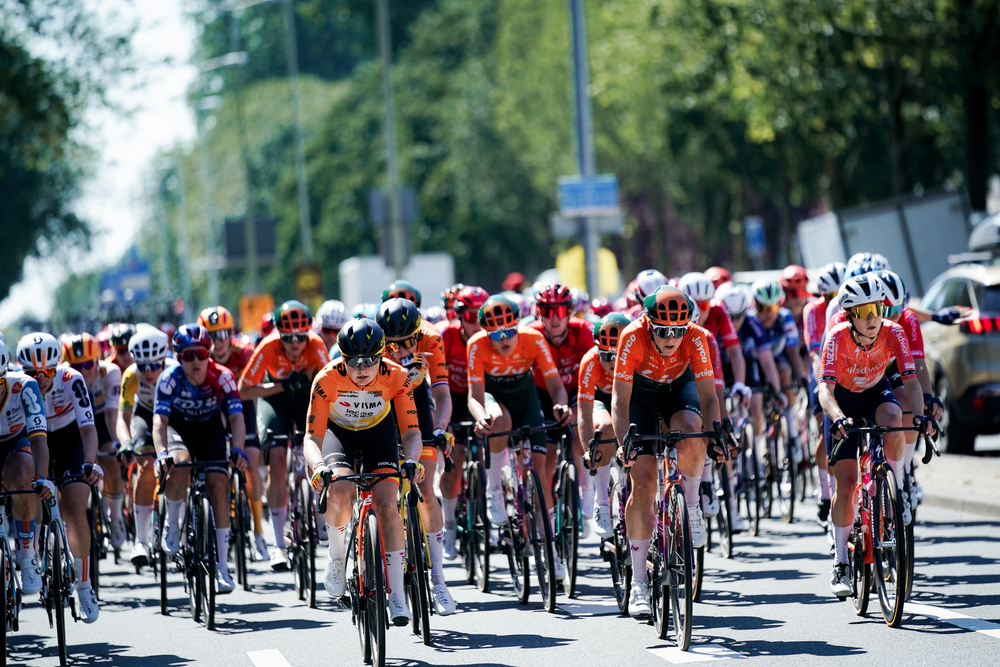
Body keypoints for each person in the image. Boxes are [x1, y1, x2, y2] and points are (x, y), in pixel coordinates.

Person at [611, 286, 722, 618]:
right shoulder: (631, 337)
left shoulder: (695, 336)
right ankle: (639, 584)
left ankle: (690, 504)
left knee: (693, 429)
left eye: (678, 329)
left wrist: (715, 435)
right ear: (649, 324)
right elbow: (619, 401)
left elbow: (709, 398)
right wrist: (623, 445)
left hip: (677, 389)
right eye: (663, 330)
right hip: (640, 399)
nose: (672, 337)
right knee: (643, 481)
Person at [818, 274, 932, 597]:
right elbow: (824, 390)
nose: (872, 318)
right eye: (864, 310)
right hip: (842, 400)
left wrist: (921, 415)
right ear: (850, 314)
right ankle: (841, 561)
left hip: (875, 391)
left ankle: (896, 489)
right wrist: (838, 417)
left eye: (878, 307)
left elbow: (911, 383)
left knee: (897, 416)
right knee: (846, 481)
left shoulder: (894, 332)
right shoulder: (837, 336)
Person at [305, 318, 424, 626]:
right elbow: (311, 437)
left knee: (386, 503)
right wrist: (318, 466)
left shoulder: (397, 377)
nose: (362, 367)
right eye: (353, 360)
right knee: (341, 490)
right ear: (341, 358)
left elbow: (411, 432)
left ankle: (396, 593)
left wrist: (412, 460)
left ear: (383, 356)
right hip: (339, 434)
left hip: (378, 435)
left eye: (370, 360)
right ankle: (336, 556)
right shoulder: (326, 379)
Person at [466, 296, 570, 560]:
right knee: (499, 421)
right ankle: (494, 489)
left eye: (509, 331)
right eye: (496, 334)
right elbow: (475, 396)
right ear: (486, 333)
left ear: (518, 326)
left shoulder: (533, 339)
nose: (504, 339)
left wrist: (561, 406)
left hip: (527, 400)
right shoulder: (476, 345)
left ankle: (552, 552)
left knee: (540, 477)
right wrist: (480, 417)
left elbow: (556, 386)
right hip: (495, 400)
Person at [376, 297, 456, 615]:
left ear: (417, 333)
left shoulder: (432, 338)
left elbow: (442, 394)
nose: (398, 350)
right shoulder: (375, 347)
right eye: (391, 344)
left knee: (425, 489)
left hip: (421, 414)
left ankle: (438, 579)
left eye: (407, 342)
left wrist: (440, 429)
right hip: (383, 415)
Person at [153, 325, 248, 594]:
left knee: (219, 486)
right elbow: (159, 421)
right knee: (180, 463)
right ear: (179, 358)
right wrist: (161, 453)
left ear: (210, 353)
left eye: (201, 354)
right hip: (179, 429)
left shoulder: (224, 376)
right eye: (187, 356)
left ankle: (222, 568)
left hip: (210, 430)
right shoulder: (169, 379)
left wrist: (238, 449)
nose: (195, 361)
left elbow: (237, 419)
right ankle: (172, 524)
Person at [18, 333, 102, 622]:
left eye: (47, 371)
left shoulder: (71, 379)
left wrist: (89, 463)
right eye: (32, 373)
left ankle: (84, 586)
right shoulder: (18, 384)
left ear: (57, 367)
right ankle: (31, 555)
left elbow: (88, 429)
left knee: (75, 508)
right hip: (34, 441)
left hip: (69, 442)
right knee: (31, 495)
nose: (40, 378)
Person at [239, 301, 329, 569]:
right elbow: (244, 390)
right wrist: (280, 386)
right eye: (288, 338)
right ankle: (278, 544)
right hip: (276, 400)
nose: (294, 343)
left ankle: (318, 511)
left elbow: (331, 382)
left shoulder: (316, 345)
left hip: (306, 399)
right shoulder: (268, 346)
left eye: (300, 337)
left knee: (315, 453)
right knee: (277, 461)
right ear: (279, 334)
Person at [199, 306, 269, 561]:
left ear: (231, 334)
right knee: (219, 469)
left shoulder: (246, 353)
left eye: (223, 334)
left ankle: (259, 531)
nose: (218, 342)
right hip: (215, 409)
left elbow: (258, 384)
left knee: (250, 460)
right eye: (212, 335)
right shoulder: (200, 358)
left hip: (243, 409)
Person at [528, 284, 595, 538]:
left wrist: (579, 406)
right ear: (539, 313)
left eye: (559, 311)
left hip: (579, 389)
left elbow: (595, 368)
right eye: (547, 311)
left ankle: (586, 489)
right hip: (543, 395)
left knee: (581, 431)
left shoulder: (584, 331)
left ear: (569, 312)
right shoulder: (532, 334)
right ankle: (548, 515)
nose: (554, 318)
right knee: (548, 458)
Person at [878, 270, 942, 518]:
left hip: (891, 364)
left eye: (898, 310)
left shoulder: (908, 319)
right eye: (888, 312)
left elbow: (919, 365)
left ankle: (903, 476)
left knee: (906, 402)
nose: (894, 317)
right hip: (864, 367)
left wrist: (927, 399)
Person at [0, 340, 55, 598]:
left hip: (16, 440)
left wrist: (41, 478)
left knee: (24, 473)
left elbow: (38, 440)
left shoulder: (25, 385)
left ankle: (26, 552)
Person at [116, 326, 174, 568]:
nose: (149, 372)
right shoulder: (130, 375)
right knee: (146, 466)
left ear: (163, 359)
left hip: (171, 415)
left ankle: (174, 518)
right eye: (143, 366)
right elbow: (123, 417)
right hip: (144, 414)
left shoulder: (174, 370)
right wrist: (126, 442)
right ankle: (141, 540)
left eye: (154, 365)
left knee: (181, 462)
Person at [438, 285, 489, 559]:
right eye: (469, 317)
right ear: (459, 317)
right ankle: (448, 526)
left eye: (480, 317)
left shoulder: (489, 338)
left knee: (486, 453)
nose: (476, 323)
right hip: (453, 398)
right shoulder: (445, 336)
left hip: (479, 395)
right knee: (454, 458)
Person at [62, 334, 125, 551]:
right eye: (76, 365)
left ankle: (116, 515)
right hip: (74, 423)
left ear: (98, 362)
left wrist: (117, 443)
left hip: (101, 417)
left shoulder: (111, 372)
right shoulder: (63, 377)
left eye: (88, 364)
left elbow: (111, 415)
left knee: (111, 457)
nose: (83, 370)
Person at [577, 313, 630, 537]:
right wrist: (590, 450)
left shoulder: (636, 356)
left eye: (617, 355)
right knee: (605, 428)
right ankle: (602, 503)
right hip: (601, 401)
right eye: (605, 355)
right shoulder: (589, 361)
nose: (611, 362)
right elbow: (583, 412)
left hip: (627, 399)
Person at [803, 262, 846, 526]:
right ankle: (824, 492)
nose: (835, 301)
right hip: (822, 372)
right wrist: (826, 374)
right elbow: (813, 349)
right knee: (826, 430)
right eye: (830, 296)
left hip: (849, 371)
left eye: (838, 294)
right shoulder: (812, 310)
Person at [751, 279, 809, 463]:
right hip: (755, 362)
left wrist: (801, 376)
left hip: (779, 358)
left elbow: (793, 352)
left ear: (780, 305)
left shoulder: (785, 317)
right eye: (762, 308)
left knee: (784, 372)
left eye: (773, 307)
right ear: (754, 305)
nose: (768, 314)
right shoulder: (750, 319)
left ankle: (792, 434)